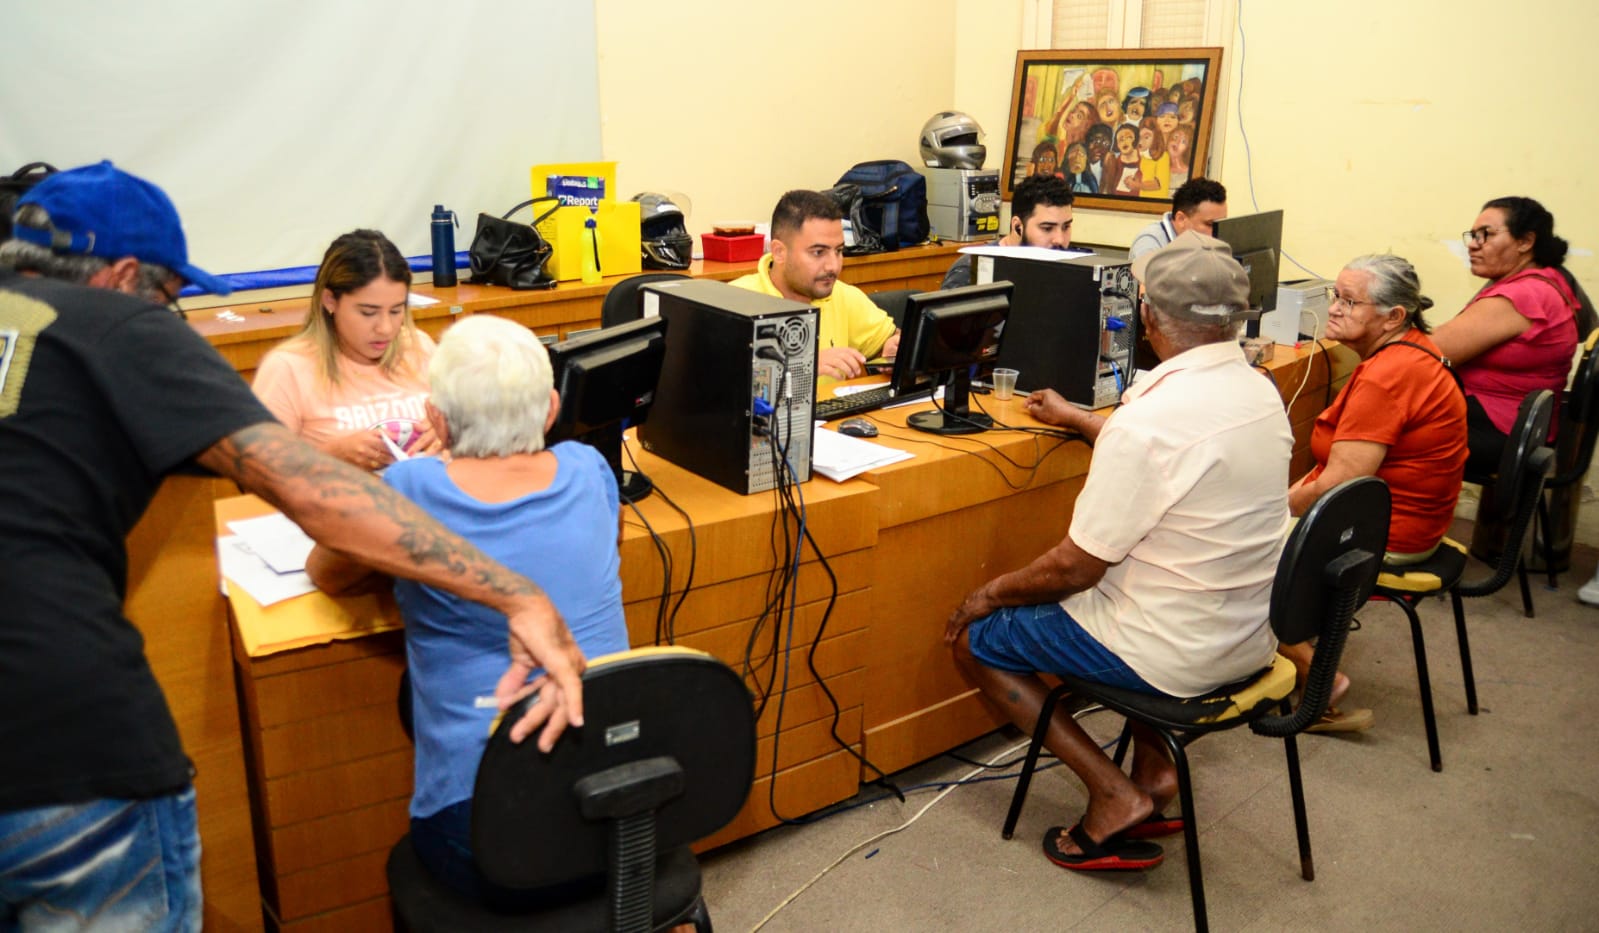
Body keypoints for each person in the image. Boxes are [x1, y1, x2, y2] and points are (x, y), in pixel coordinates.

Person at [0, 161, 584, 930]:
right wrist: (515, 592)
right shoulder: (114, 320)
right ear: (124, 275)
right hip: (54, 736)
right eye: (171, 298)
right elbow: (318, 497)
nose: (168, 317)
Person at [946, 232, 1290, 872]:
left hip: (1173, 654)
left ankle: (1114, 793)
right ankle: (1157, 781)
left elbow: (1076, 566)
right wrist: (1082, 419)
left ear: (1148, 314)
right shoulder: (1258, 392)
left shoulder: (1150, 423)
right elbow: (1180, 452)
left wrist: (986, 594)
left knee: (980, 638)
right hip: (1250, 636)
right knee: (1155, 581)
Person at [306, 315, 629, 905]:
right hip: (621, 809)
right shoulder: (591, 469)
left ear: (435, 418)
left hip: (484, 834)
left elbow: (325, 574)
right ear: (552, 409)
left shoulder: (407, 488)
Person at [1280, 255, 1467, 733]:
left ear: (1394, 317)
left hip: (1392, 531)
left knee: (1234, 548)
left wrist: (1275, 511)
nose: (1335, 309)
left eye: (1349, 301)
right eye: (1335, 297)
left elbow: (1339, 485)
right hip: (1409, 517)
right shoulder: (1412, 351)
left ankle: (1315, 677)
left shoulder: (1389, 375)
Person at [252, 230, 441, 470]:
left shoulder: (419, 347)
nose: (385, 328)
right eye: (368, 312)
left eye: (396, 310)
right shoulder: (288, 367)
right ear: (330, 300)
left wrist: (449, 434)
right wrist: (328, 455)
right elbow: (256, 472)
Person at [1431, 196, 1584, 476]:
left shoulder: (1524, 295)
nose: (1473, 244)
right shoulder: (1549, 279)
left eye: (1486, 235)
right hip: (1522, 423)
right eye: (1473, 235)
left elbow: (1427, 353)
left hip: (1501, 429)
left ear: (1525, 241)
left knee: (1369, 428)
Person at [730, 190, 899, 383]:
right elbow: (716, 387)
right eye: (818, 252)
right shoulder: (735, 301)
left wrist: (894, 348)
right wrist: (803, 365)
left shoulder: (843, 295)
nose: (833, 266)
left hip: (832, 412)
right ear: (779, 252)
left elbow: (889, 340)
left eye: (839, 251)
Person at [939, 174, 1075, 290]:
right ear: (1017, 226)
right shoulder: (973, 270)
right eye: (1047, 228)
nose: (1060, 240)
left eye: (1066, 227)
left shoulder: (1067, 269)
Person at [1129, 177, 1228, 259]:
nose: (1218, 232)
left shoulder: (1207, 244)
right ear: (1181, 220)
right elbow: (1148, 282)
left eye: (1222, 223)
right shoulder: (1149, 242)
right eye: (1210, 224)